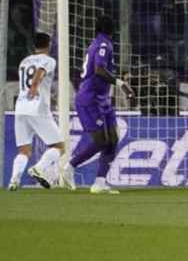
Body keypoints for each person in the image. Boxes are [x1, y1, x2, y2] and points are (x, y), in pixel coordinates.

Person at [60, 16, 135, 194]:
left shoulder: (102, 43)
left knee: (113, 140)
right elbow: (99, 70)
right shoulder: (103, 44)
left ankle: (100, 182)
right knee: (101, 140)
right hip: (89, 99)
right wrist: (121, 84)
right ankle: (69, 167)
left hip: (103, 100)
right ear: (111, 28)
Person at [8, 33, 64, 191]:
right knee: (59, 147)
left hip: (20, 108)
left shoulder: (24, 61)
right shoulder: (49, 60)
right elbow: (40, 71)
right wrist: (34, 87)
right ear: (49, 44)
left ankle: (14, 181)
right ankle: (39, 168)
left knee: (24, 150)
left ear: (34, 45)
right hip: (37, 107)